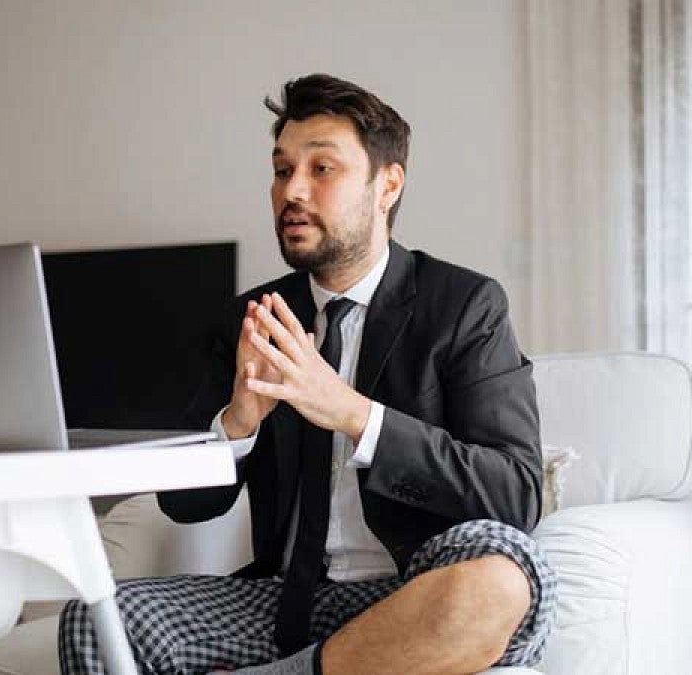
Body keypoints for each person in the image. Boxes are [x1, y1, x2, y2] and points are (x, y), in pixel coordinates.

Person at [60, 73, 556, 675]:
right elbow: (185, 505)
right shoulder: (254, 316)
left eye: (322, 169)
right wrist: (237, 422)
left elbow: (515, 492)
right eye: (281, 170)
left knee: (501, 574)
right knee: (98, 616)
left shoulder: (464, 305)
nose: (292, 190)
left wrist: (352, 413)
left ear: (386, 185)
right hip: (286, 600)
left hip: (413, 590)